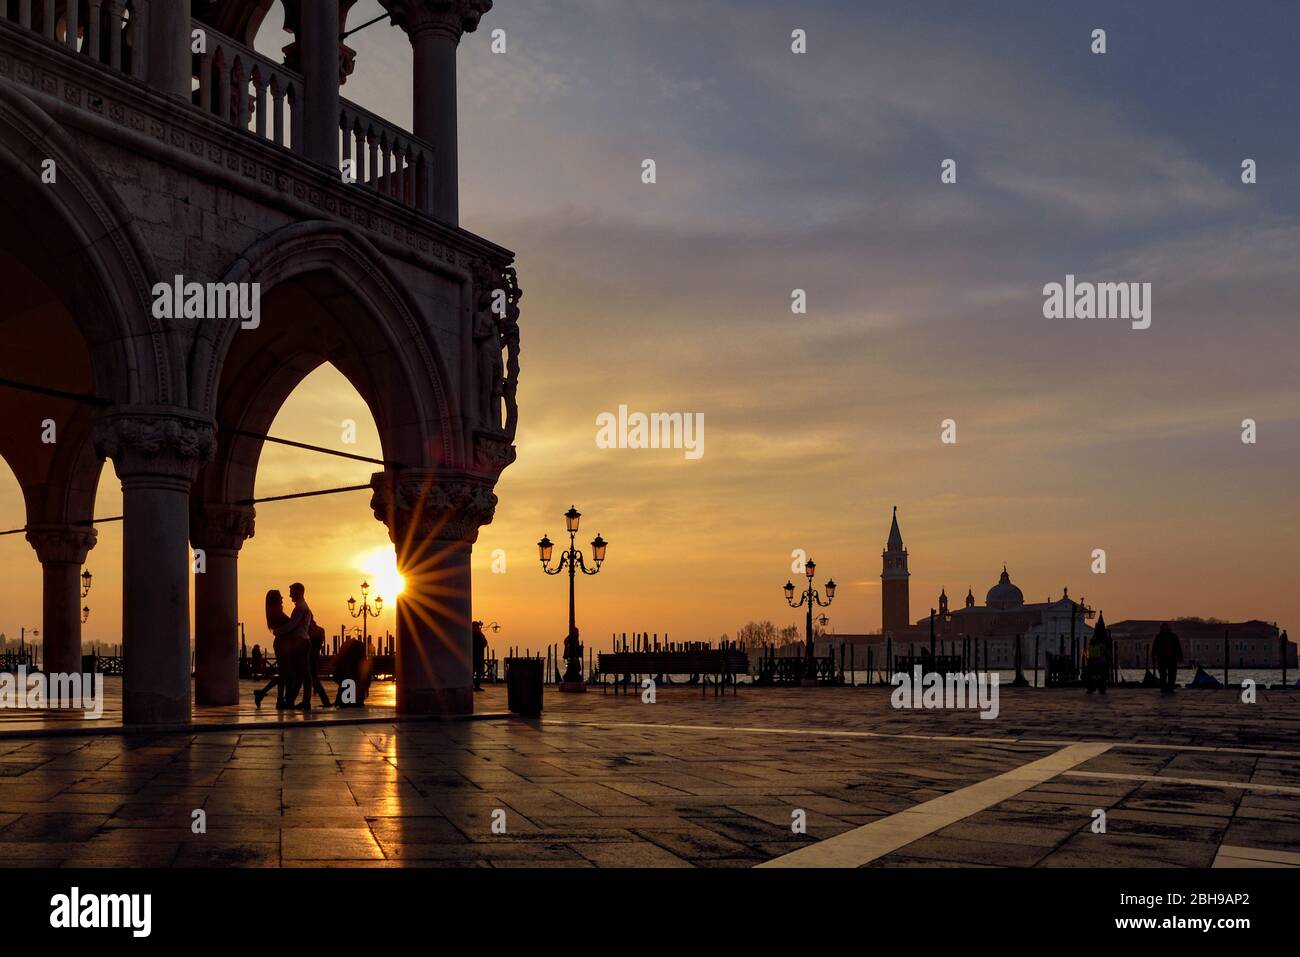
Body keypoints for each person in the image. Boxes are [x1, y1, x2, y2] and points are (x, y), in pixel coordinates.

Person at [1151, 622, 1183, 693]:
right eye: (1164, 627)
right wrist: (1153, 657)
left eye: (1166, 627)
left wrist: (1180, 656)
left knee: (1172, 674)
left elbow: (1178, 647)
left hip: (1172, 658)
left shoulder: (1174, 637)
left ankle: (1170, 688)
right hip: (1162, 658)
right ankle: (1164, 688)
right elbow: (1154, 648)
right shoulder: (1158, 637)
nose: (1165, 628)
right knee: (1163, 674)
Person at [472, 620, 489, 691]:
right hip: (475, 656)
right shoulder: (474, 634)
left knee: (478, 673)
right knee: (473, 672)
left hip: (478, 656)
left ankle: (477, 686)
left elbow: (485, 643)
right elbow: (484, 643)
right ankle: (474, 686)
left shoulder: (479, 634)